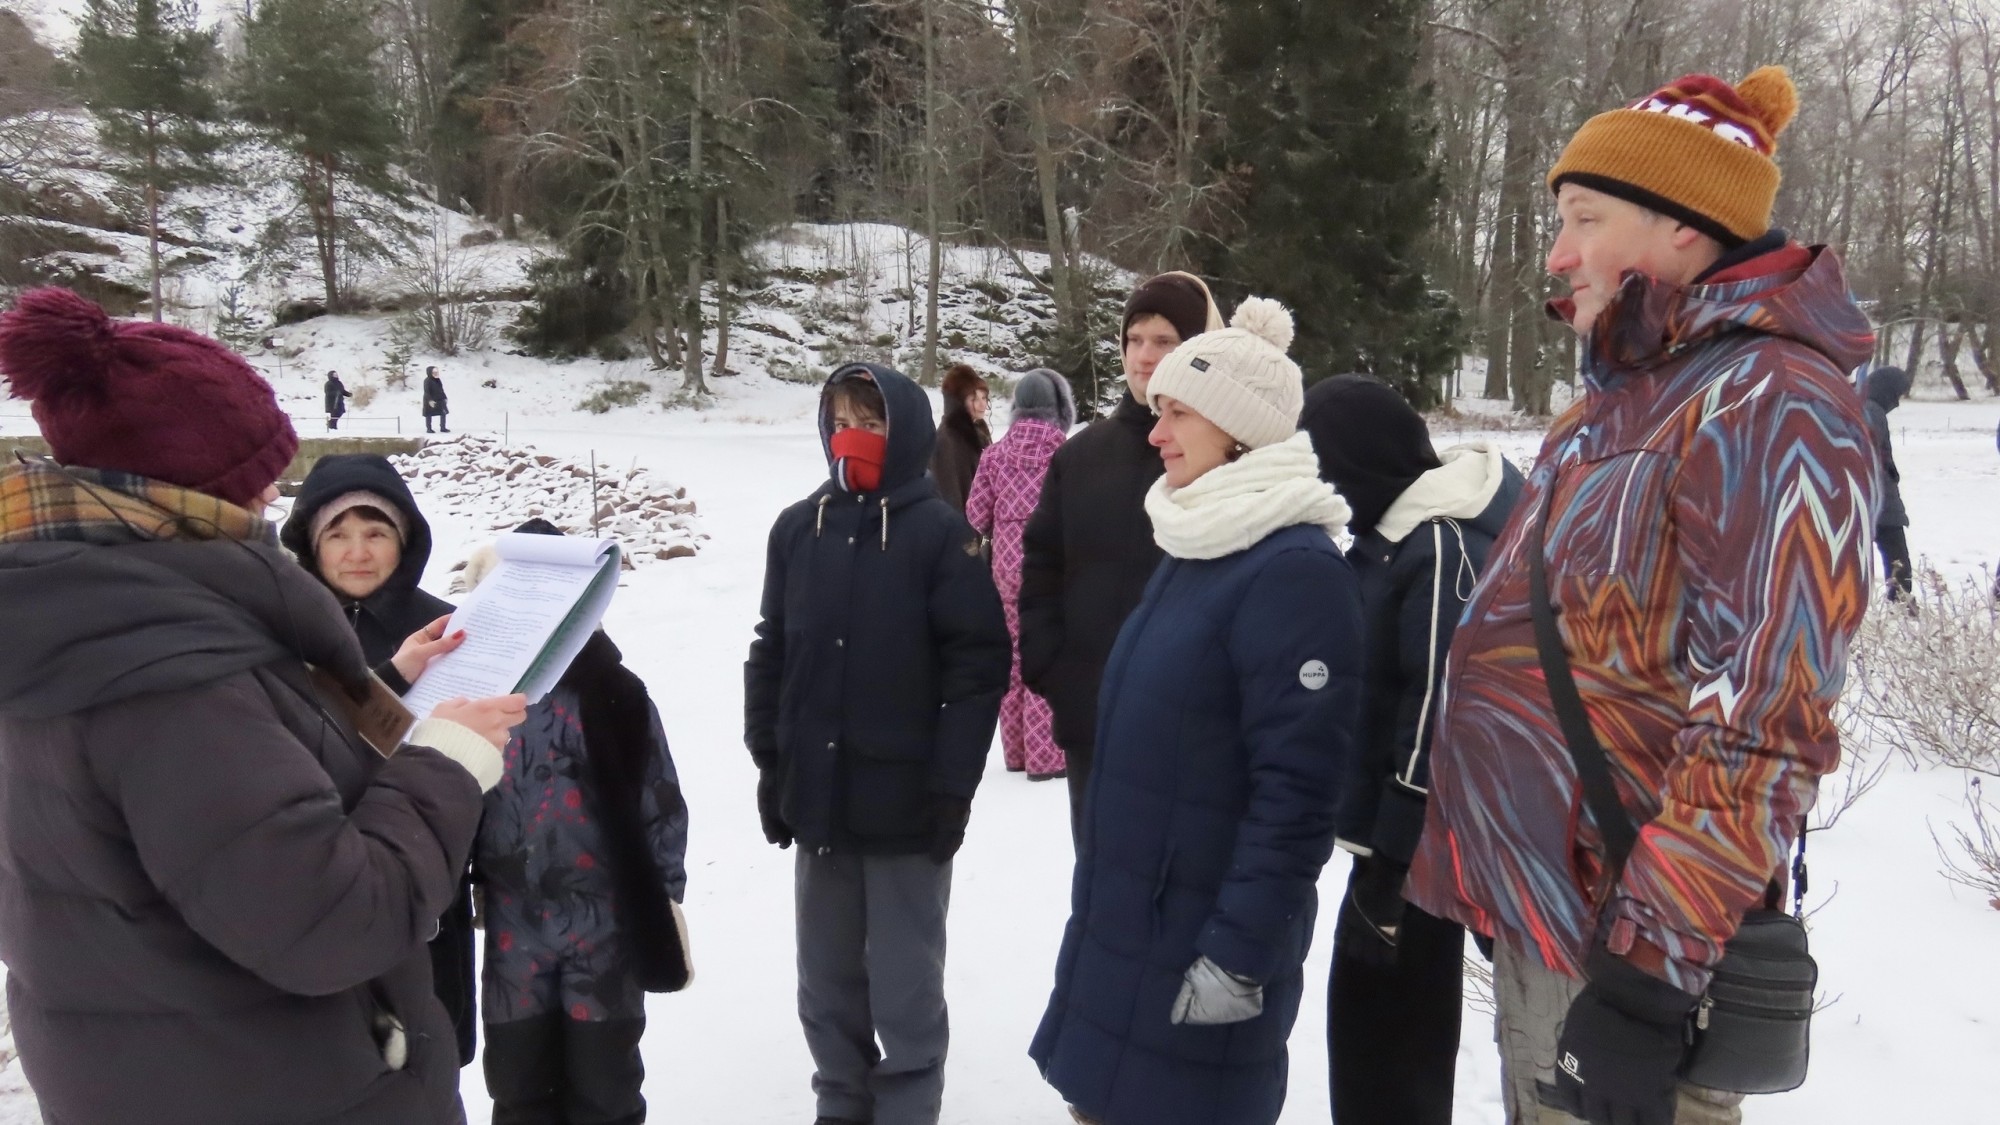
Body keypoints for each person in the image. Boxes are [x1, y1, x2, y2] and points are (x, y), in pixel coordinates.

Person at [1404, 67, 1879, 1125]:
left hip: (1633, 945)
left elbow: (1765, 716)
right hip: (1548, 918)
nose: (1555, 253)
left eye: (1583, 219)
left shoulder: (1773, 404)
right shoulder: (1612, 408)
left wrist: (1649, 976)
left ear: (1681, 231)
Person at [0, 286, 525, 1125]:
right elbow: (332, 920)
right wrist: (446, 766)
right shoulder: (165, 678)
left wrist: (386, 684)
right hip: (280, 1085)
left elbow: (241, 797)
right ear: (191, 497)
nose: (271, 505)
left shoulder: (84, 614)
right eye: (257, 484)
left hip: (172, 1069)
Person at [1030, 297, 1362, 1125]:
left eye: (1176, 412)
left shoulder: (1294, 571)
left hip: (1198, 953)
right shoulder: (1200, 540)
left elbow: (1297, 794)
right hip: (1133, 933)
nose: (1155, 432)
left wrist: (1237, 956)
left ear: (1236, 426)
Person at [744, 363, 1010, 1125]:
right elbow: (771, 647)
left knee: (903, 985)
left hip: (905, 809)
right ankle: (840, 1103)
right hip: (819, 801)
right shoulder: (800, 528)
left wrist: (951, 786)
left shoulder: (942, 536)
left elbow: (977, 667)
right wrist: (771, 757)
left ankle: (908, 1105)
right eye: (839, 414)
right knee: (826, 981)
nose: (850, 431)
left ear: (905, 428)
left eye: (871, 415)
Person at [1299, 374, 1524, 1125]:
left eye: (1322, 466)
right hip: (1398, 849)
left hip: (1421, 856)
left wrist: (1392, 866)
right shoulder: (1392, 532)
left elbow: (1438, 709)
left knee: (1389, 1050)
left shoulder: (1438, 540)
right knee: (1372, 1037)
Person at [460, 521, 691, 1125]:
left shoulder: (616, 693)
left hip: (604, 931)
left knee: (604, 1090)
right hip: (513, 931)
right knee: (518, 1087)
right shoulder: (475, 696)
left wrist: (663, 898)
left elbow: (659, 799)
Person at [281, 453, 481, 1066]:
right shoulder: (282, 631)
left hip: (432, 872)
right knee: (337, 1059)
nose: (356, 552)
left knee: (429, 1048)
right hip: (317, 878)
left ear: (406, 539)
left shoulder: (446, 627)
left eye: (375, 533)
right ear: (311, 548)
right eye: (336, 535)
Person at [1018, 271, 1223, 835]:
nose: (1144, 356)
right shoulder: (1082, 456)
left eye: (1165, 341)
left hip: (1195, 732)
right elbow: (1040, 570)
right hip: (1096, 720)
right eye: (1134, 340)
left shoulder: (1226, 455)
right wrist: (1053, 670)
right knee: (1103, 897)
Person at [965, 368, 1076, 781]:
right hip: (1050, 565)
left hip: (1005, 567)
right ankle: (1047, 757)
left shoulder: (994, 454)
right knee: (1047, 652)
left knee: (1012, 658)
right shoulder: (1064, 452)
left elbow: (975, 514)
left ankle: (1015, 752)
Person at [1863, 364, 1912, 598]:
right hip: (1879, 501)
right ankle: (1903, 606)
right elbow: (1868, 457)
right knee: (1897, 558)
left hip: (1878, 499)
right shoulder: (1870, 411)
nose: (1898, 403)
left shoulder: (1870, 409)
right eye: (1897, 395)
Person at [928, 363, 990, 512]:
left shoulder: (976, 433)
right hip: (961, 529)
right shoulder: (947, 439)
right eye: (974, 399)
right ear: (958, 403)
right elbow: (949, 497)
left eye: (984, 397)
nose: (982, 405)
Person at [423, 365, 450, 433]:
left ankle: (443, 427)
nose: (436, 373)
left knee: (443, 413)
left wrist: (445, 397)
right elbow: (427, 391)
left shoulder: (438, 380)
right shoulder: (427, 381)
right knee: (429, 414)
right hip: (430, 399)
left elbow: (441, 390)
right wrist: (430, 400)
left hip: (440, 399)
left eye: (436, 372)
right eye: (434, 372)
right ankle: (429, 428)